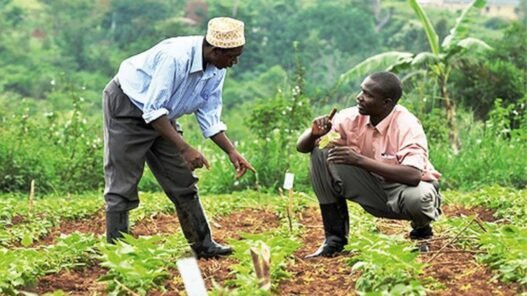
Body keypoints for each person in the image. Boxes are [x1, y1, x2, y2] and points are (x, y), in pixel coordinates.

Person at [102, 17, 255, 259]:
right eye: (232, 56)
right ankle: (116, 254)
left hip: (162, 116)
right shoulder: (176, 58)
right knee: (123, 182)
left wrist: (232, 151)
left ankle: (204, 245)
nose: (234, 63)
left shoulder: (216, 69)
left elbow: (209, 115)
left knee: (182, 180)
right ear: (216, 50)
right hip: (128, 106)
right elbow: (152, 110)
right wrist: (185, 148)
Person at [296, 72, 441, 258]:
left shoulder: (407, 125)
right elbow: (302, 147)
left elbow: (412, 175)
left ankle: (421, 230)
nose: (359, 97)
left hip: (403, 190)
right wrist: (314, 134)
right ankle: (334, 240)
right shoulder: (351, 117)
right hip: (372, 187)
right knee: (320, 153)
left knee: (418, 199)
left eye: (368, 95)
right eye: (361, 91)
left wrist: (358, 160)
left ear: (386, 103)